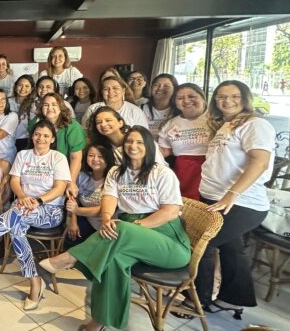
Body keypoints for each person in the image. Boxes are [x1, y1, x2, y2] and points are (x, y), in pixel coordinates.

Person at [40, 126, 191, 331]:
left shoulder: (162, 173)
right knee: (112, 262)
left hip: (168, 242)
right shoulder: (116, 172)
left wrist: (135, 227)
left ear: (148, 146)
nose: (133, 146)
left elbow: (171, 212)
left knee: (121, 229)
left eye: (139, 142)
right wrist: (106, 218)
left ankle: (69, 257)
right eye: (129, 141)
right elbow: (109, 199)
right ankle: (99, 322)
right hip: (127, 231)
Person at [0, 120, 70, 310]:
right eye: (37, 134)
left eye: (46, 135)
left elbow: (60, 188)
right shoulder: (23, 155)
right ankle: (35, 282)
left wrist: (38, 201)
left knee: (17, 212)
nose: (40, 138)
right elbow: (15, 182)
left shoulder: (58, 158)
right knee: (16, 229)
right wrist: (24, 197)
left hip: (50, 210)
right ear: (32, 136)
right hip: (23, 206)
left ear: (52, 139)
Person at [192, 80, 274, 317]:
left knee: (202, 244)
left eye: (234, 96)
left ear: (245, 98)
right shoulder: (226, 125)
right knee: (231, 248)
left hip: (241, 202)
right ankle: (235, 299)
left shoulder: (255, 124)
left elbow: (260, 161)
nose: (227, 101)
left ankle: (198, 300)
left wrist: (232, 194)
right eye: (221, 97)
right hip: (215, 198)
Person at [158, 83, 212, 200]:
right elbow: (165, 151)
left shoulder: (216, 119)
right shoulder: (170, 124)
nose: (186, 101)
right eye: (180, 98)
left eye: (192, 96)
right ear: (175, 102)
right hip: (183, 171)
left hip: (211, 169)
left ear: (202, 97)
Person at [28, 92, 86, 191]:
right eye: (46, 105)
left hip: (64, 173)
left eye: (54, 104)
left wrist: (70, 182)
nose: (50, 108)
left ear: (61, 107)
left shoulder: (72, 126)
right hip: (40, 171)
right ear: (41, 108)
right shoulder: (35, 123)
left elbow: (75, 158)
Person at [64, 144, 115, 248]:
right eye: (91, 155)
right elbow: (73, 201)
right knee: (72, 236)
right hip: (87, 221)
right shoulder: (81, 176)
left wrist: (77, 210)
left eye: (101, 156)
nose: (95, 159)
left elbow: (103, 210)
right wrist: (73, 222)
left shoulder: (113, 179)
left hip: (108, 223)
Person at [88, 106, 166, 165]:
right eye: (98, 122)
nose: (103, 124)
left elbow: (158, 166)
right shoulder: (102, 147)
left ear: (120, 123)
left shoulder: (141, 139)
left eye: (108, 120)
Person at [81, 76, 149, 129]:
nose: (110, 92)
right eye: (106, 89)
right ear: (102, 92)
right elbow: (85, 132)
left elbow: (143, 135)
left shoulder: (135, 111)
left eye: (115, 88)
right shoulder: (93, 109)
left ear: (123, 91)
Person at [142, 74, 177, 139]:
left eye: (166, 86)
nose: (160, 88)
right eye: (156, 85)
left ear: (174, 90)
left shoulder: (178, 111)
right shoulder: (141, 108)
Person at [10, 75, 34, 152]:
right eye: (20, 85)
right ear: (15, 87)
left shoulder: (34, 105)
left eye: (27, 86)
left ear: (31, 89)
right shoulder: (7, 101)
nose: (23, 88)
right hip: (6, 140)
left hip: (24, 141)